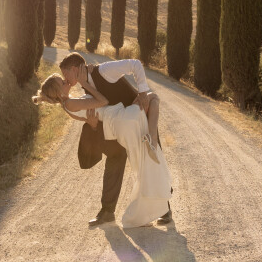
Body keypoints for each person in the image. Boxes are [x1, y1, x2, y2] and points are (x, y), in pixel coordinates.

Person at [34, 72, 172, 228]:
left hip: (119, 118)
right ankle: (108, 212)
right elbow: (99, 104)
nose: (66, 80)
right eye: (62, 81)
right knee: (137, 161)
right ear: (59, 91)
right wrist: (92, 119)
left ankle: (163, 209)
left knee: (146, 160)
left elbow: (90, 112)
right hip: (115, 124)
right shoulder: (71, 102)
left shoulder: (76, 96)